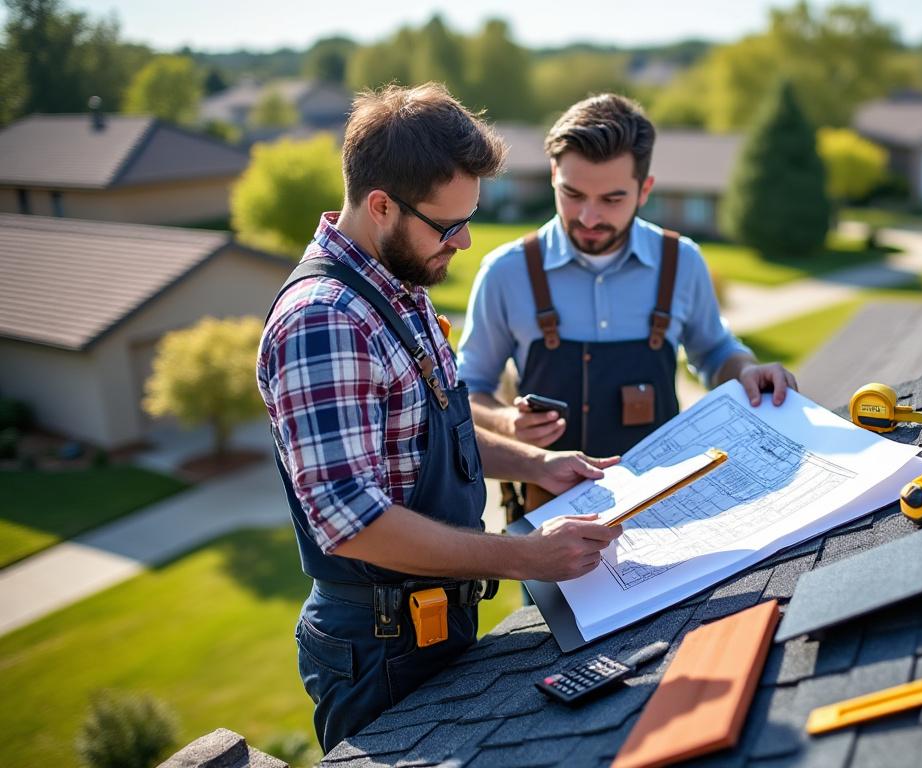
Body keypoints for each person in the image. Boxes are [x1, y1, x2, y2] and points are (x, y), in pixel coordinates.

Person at [257, 83, 624, 752]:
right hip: (379, 650)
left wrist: (536, 463)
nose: (464, 240)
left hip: (430, 624)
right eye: (446, 224)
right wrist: (525, 556)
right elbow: (352, 524)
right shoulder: (323, 322)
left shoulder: (399, 284)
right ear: (380, 205)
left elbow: (435, 428)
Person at [459, 94, 798, 502]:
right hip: (550, 513)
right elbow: (469, 389)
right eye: (573, 194)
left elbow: (714, 352)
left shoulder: (682, 262)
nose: (588, 217)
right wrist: (507, 422)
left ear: (645, 190)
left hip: (664, 500)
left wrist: (745, 370)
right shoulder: (506, 273)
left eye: (611, 199)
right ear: (553, 175)